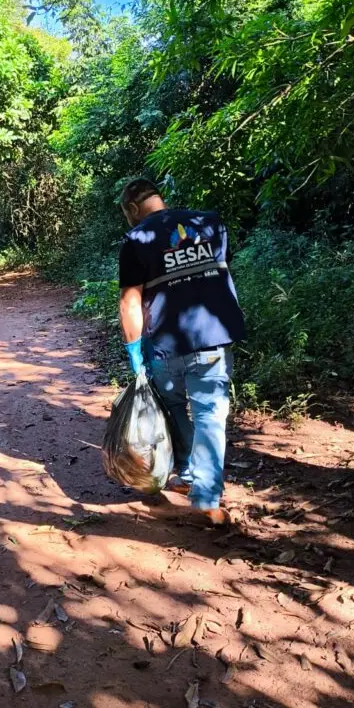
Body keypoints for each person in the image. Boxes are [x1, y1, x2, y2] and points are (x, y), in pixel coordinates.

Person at [117, 178, 246, 525]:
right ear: (159, 199)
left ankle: (189, 471)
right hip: (213, 338)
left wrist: (134, 353)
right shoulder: (210, 223)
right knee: (210, 416)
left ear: (132, 209)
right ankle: (205, 494)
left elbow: (130, 302)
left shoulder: (135, 240)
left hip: (164, 346)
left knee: (172, 407)